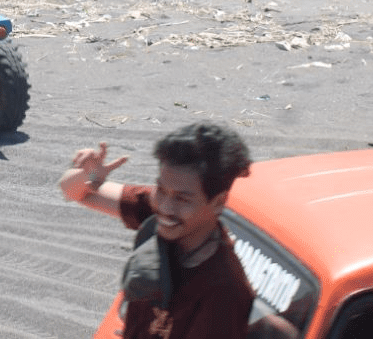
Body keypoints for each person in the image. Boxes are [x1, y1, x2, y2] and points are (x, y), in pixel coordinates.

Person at [59, 121, 255, 339]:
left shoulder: (222, 293)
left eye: (183, 199)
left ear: (218, 202)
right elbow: (76, 193)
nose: (165, 207)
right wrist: (89, 174)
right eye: (161, 189)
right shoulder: (162, 212)